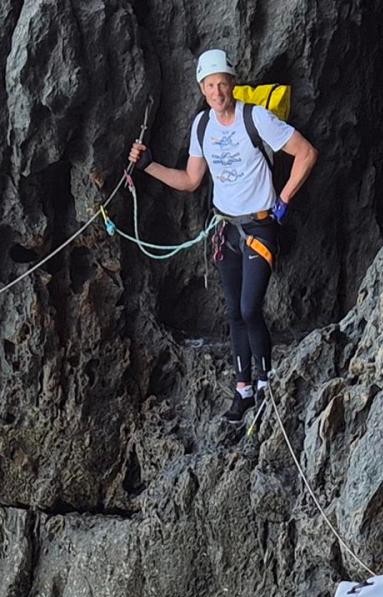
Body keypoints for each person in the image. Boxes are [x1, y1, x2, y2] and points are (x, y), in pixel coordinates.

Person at [128, 49, 318, 425]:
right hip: (225, 229)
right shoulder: (202, 126)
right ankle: (243, 388)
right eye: (209, 85)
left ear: (233, 83)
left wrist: (283, 199)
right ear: (202, 89)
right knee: (233, 313)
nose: (217, 91)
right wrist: (149, 165)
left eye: (222, 83)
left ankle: (266, 382)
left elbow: (306, 153)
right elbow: (190, 180)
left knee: (250, 309)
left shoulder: (256, 118)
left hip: (260, 226)